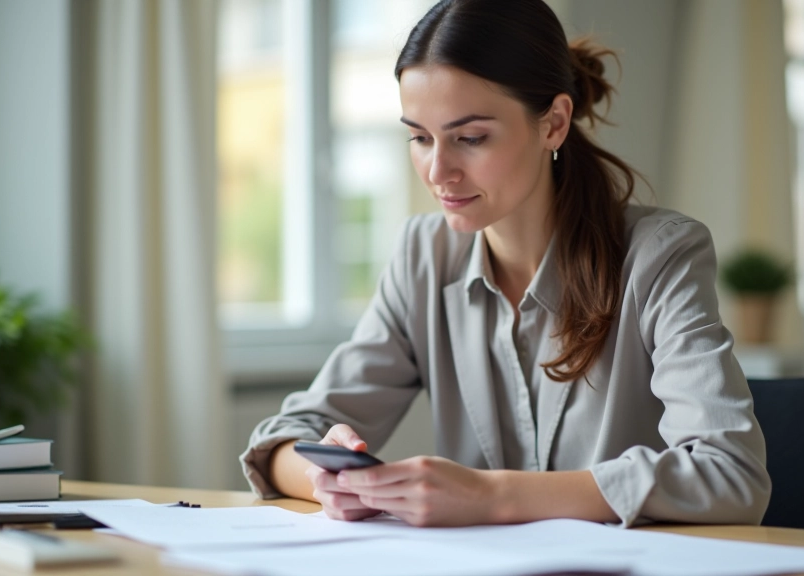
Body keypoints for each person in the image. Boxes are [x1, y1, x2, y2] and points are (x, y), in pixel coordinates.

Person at [240, 0, 771, 528]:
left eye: (470, 138)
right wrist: (329, 480)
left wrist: (493, 496)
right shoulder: (423, 256)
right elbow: (285, 438)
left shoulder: (661, 256)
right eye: (420, 138)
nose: (438, 171)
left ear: (554, 124)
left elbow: (730, 475)